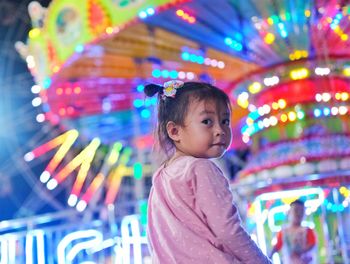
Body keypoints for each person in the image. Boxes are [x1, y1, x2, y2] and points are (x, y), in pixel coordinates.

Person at [145, 80, 271, 263]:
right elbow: (228, 231)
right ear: (174, 131)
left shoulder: (161, 176)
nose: (220, 130)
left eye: (225, 121)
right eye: (207, 122)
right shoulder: (200, 169)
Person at [269, 200, 317, 264]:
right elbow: (277, 246)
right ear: (289, 212)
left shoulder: (307, 230)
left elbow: (312, 244)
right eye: (296, 210)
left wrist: (302, 251)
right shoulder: (284, 231)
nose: (299, 214)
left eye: (302, 211)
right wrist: (269, 256)